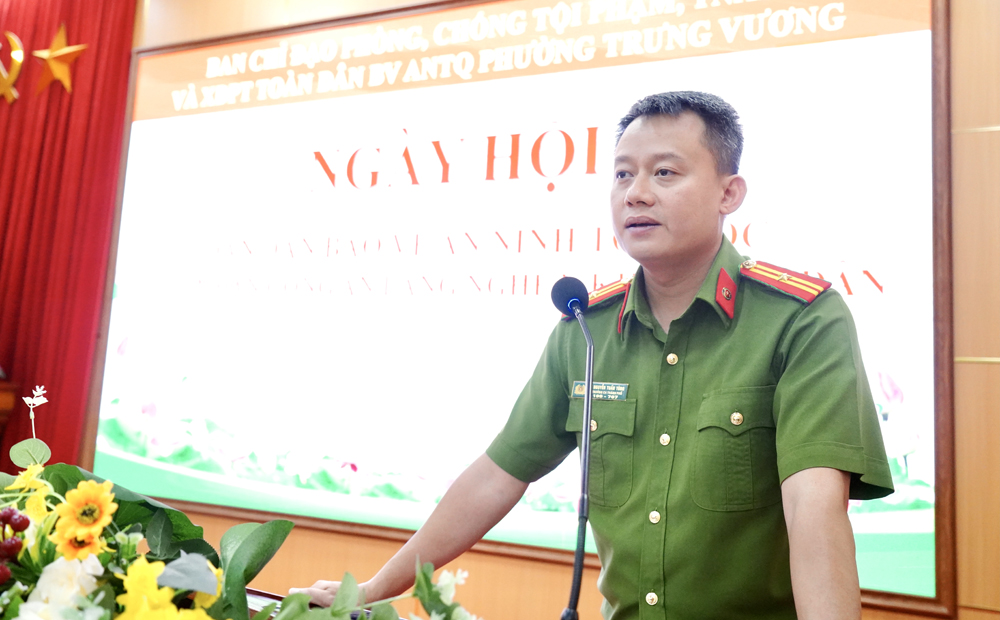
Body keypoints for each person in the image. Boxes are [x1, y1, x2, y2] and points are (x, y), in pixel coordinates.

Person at [291, 91, 894, 619]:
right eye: (622, 174)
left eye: (665, 173)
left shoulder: (801, 319)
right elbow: (498, 475)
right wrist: (372, 588)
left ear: (728, 192)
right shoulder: (587, 328)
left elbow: (815, 508)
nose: (636, 194)